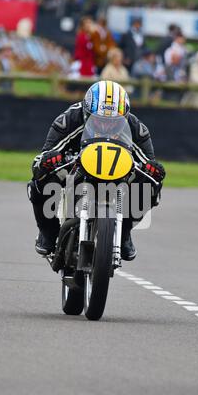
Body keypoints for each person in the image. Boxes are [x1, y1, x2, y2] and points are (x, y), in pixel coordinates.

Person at [27, 81, 166, 261]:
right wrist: (50, 160)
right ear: (86, 112)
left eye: (113, 122)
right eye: (99, 120)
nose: (106, 127)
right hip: (74, 168)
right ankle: (48, 232)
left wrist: (154, 170)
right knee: (39, 181)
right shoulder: (69, 120)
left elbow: (150, 164)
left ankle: (124, 232)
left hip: (118, 172)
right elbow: (41, 159)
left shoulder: (137, 128)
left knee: (151, 185)